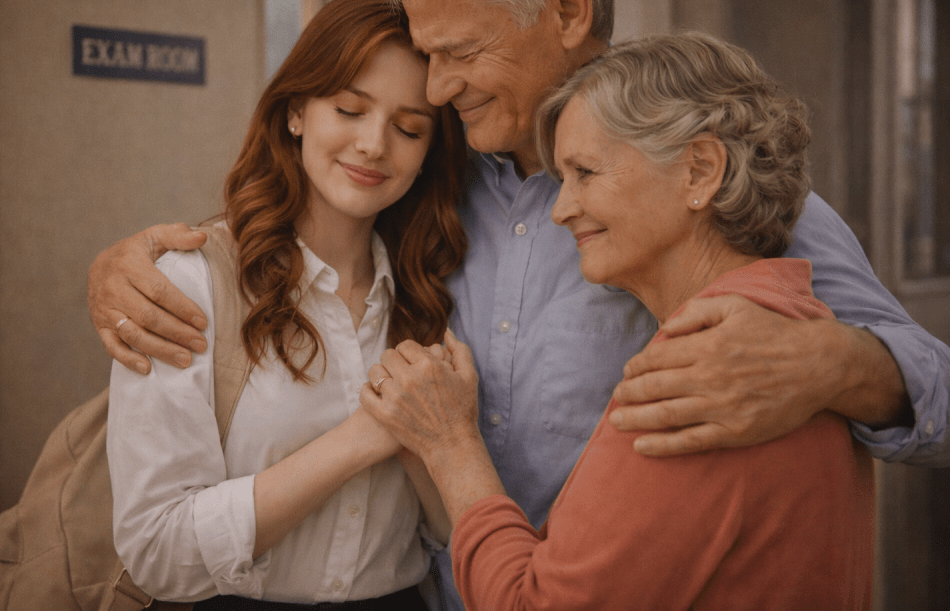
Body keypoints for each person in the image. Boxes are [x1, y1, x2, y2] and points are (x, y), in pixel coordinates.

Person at [87, 0, 950, 609]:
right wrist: (147, 261)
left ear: (567, 10)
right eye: (426, 56)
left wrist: (840, 364)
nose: (435, 86)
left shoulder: (704, 183)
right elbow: (307, 225)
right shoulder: (435, 179)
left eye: (459, 50)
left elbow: (937, 393)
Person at [360, 32, 874, 610]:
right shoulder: (791, 327)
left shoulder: (701, 379)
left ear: (700, 171)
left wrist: (451, 444)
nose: (560, 209)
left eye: (584, 172)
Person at [105, 0, 468, 608]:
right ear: (296, 112)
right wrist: (364, 438)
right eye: (349, 110)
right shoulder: (192, 282)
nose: (374, 145)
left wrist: (429, 440)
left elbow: (440, 530)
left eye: (408, 128)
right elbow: (157, 550)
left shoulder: (433, 293)